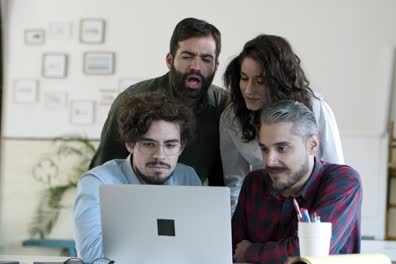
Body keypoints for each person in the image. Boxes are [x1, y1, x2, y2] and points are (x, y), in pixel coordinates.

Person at [90, 17, 228, 186]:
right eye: (187, 56)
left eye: (206, 59)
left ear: (216, 66)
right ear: (169, 60)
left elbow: (224, 178)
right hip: (131, 200)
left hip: (189, 201)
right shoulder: (131, 100)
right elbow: (104, 171)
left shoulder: (225, 107)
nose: (196, 66)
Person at [221, 34, 344, 212]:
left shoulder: (315, 108)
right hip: (266, 208)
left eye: (260, 81)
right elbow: (234, 183)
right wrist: (234, 231)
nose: (248, 90)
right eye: (244, 78)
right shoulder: (231, 118)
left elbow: (336, 172)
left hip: (312, 205)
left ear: (279, 82)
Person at [74, 92, 202, 263]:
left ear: (181, 147)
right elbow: (93, 253)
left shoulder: (188, 178)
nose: (160, 155)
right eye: (149, 144)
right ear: (130, 144)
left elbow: (200, 246)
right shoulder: (98, 183)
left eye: (170, 145)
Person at [231, 100, 362, 264]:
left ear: (312, 145)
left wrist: (251, 251)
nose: (269, 161)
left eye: (282, 148)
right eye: (264, 149)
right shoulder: (254, 182)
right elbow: (234, 250)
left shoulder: (343, 182)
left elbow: (309, 255)